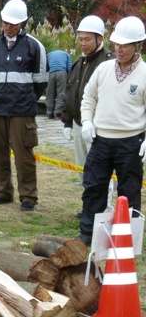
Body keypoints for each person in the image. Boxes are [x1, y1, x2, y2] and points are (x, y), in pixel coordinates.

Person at [78, 16, 146, 246]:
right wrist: (87, 121)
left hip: (130, 142)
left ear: (139, 46)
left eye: (125, 45)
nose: (119, 49)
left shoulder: (144, 73)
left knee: (129, 191)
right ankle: (88, 233)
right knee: (93, 187)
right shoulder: (104, 69)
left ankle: (129, 237)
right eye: (117, 44)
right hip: (101, 140)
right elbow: (89, 97)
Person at [0, 0, 48, 212]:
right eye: (5, 22)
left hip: (22, 110)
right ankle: (3, 192)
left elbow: (41, 81)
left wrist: (26, 99)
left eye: (13, 23)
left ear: (22, 22)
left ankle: (28, 196)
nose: (8, 26)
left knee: (24, 156)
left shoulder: (34, 46)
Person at [62, 15, 113, 183]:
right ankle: (88, 206)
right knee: (82, 168)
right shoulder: (79, 62)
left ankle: (101, 206)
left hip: (99, 126)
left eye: (87, 39)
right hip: (78, 123)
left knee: (99, 169)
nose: (83, 43)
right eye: (80, 39)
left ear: (100, 38)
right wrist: (67, 122)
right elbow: (70, 93)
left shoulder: (110, 62)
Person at [45, 50, 71, 119]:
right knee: (61, 93)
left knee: (50, 93)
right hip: (62, 72)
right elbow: (69, 68)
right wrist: (68, 78)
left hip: (51, 73)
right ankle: (57, 113)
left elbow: (46, 66)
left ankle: (49, 112)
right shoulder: (66, 54)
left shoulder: (49, 54)